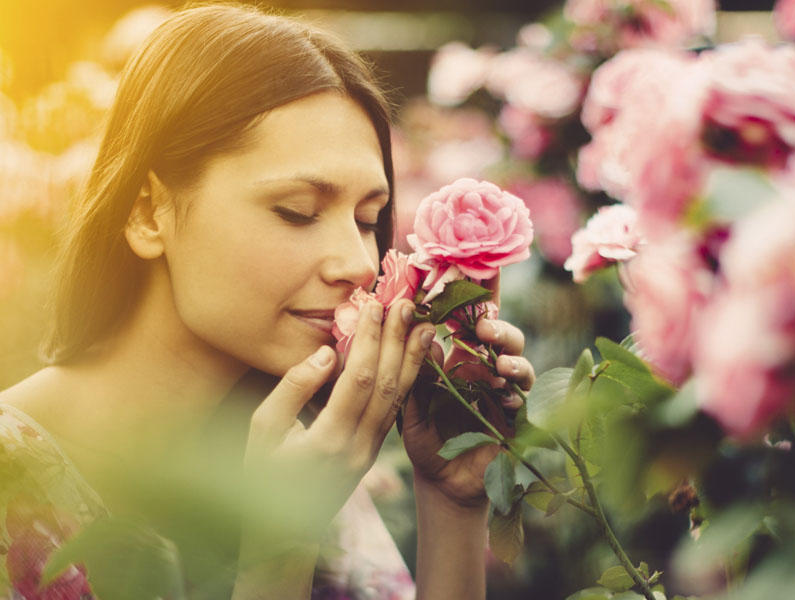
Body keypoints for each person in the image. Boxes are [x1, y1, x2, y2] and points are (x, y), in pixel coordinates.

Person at [0, 4, 535, 599]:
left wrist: (453, 502)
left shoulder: (302, 457)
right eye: (297, 211)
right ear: (147, 213)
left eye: (367, 218)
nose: (359, 263)